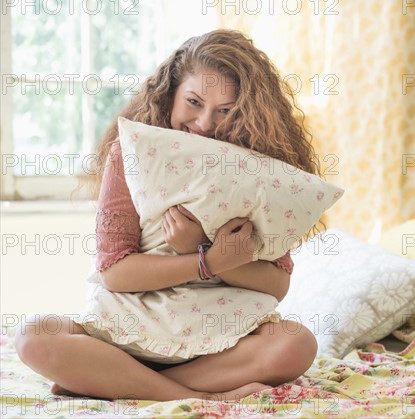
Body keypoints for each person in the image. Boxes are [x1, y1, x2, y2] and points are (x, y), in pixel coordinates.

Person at [15, 29, 320, 402]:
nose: (205, 123)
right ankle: (201, 396)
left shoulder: (262, 174)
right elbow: (114, 273)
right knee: (34, 336)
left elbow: (276, 287)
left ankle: (116, 380)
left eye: (225, 110)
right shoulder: (129, 154)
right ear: (169, 94)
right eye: (193, 102)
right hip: (126, 331)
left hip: (218, 343)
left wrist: (206, 252)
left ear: (247, 112)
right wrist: (202, 261)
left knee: (296, 344)